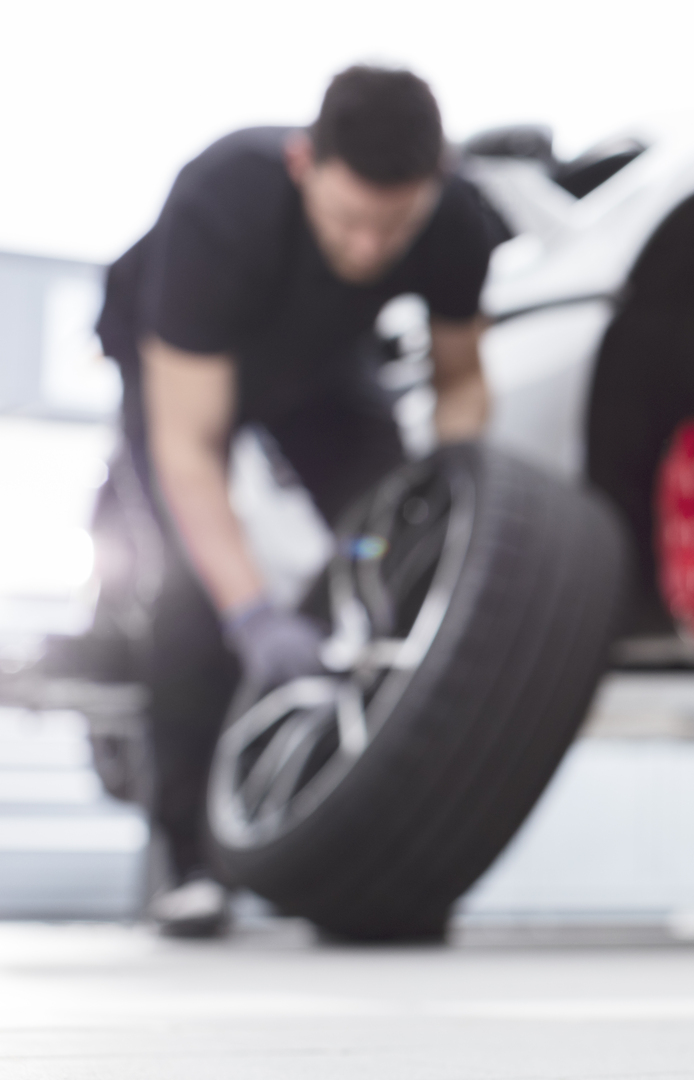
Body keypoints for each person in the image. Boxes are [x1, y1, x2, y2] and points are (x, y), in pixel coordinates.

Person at [93, 65, 504, 937]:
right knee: (189, 582)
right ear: (301, 164)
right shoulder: (222, 206)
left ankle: (378, 838)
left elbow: (463, 385)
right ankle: (188, 856)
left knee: (393, 536)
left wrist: (442, 509)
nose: (369, 248)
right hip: (181, 368)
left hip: (320, 370)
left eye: (393, 226)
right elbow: (191, 448)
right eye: (349, 220)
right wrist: (251, 614)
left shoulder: (454, 222)